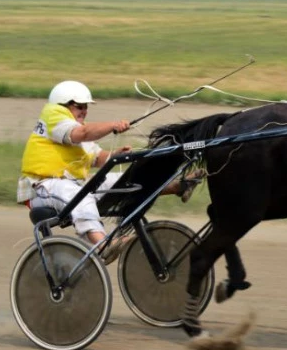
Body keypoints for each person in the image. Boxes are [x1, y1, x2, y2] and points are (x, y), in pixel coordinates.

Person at [17, 80, 199, 264]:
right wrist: (113, 125)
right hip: (41, 188)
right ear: (62, 104)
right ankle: (103, 246)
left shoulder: (74, 126)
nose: (84, 110)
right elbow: (83, 133)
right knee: (81, 196)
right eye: (79, 106)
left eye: (86, 106)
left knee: (128, 180)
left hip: (67, 185)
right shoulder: (53, 115)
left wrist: (115, 155)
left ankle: (177, 187)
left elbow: (96, 158)